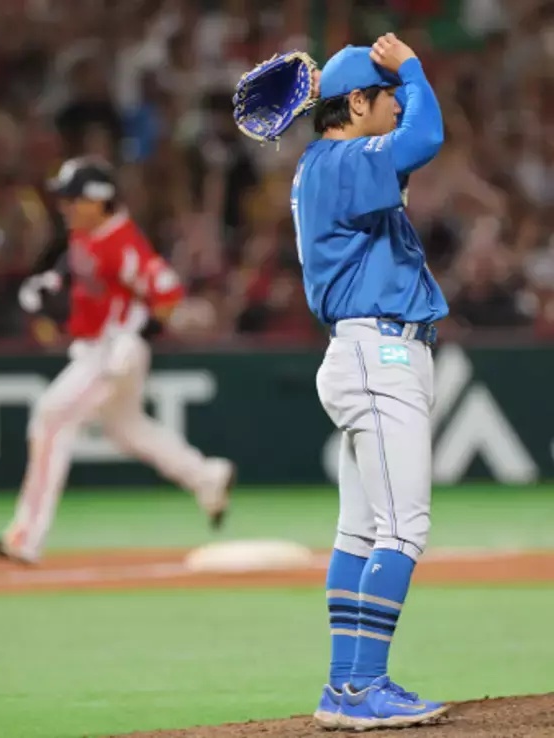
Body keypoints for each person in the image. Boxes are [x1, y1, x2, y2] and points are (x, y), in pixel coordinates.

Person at [290, 35, 450, 729]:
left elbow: (408, 146)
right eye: (386, 97)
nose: (399, 106)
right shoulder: (343, 160)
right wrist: (412, 67)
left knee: (360, 533)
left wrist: (393, 81)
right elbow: (427, 137)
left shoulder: (327, 165)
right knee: (404, 530)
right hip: (377, 354)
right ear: (356, 103)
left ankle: (343, 688)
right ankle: (366, 688)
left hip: (365, 352)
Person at [0, 157, 235, 565]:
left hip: (113, 352)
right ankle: (206, 476)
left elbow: (167, 295)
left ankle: (25, 537)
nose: (65, 205)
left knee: (51, 420)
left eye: (73, 198)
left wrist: (134, 333)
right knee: (128, 429)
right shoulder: (87, 234)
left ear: (98, 200)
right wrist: (48, 287)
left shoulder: (122, 241)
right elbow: (70, 275)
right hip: (99, 348)